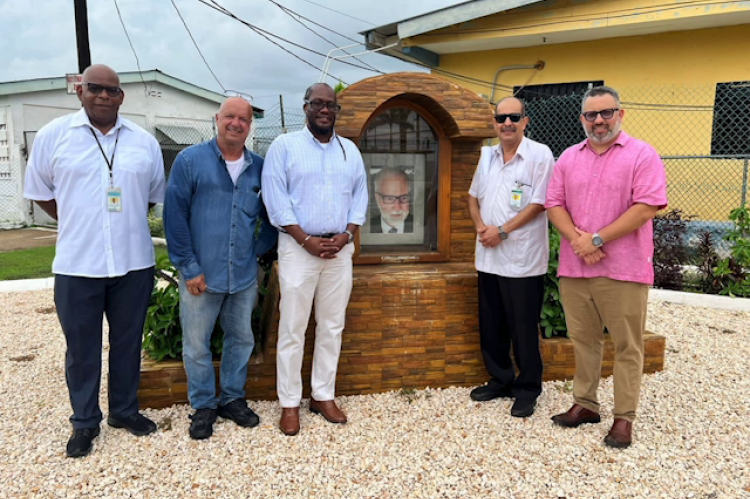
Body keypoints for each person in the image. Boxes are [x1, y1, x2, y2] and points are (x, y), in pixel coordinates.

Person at [23, 64, 165, 458]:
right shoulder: (54, 136)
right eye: (95, 88)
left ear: (122, 97)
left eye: (112, 90)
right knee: (81, 349)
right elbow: (39, 191)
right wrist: (75, 218)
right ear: (80, 91)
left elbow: (150, 197)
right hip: (76, 264)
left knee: (127, 343)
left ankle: (124, 411)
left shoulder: (143, 141)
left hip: (133, 263)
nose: (103, 96)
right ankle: (84, 423)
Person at [545, 85, 667, 448]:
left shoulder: (643, 155)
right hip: (576, 267)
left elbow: (646, 206)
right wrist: (580, 242)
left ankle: (623, 418)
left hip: (624, 270)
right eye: (591, 115)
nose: (598, 121)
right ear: (582, 118)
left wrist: (595, 239)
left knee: (628, 346)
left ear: (620, 113)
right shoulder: (568, 157)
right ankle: (585, 404)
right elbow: (554, 204)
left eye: (606, 113)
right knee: (583, 341)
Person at [163, 97, 277, 440]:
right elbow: (174, 216)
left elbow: (272, 218)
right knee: (196, 344)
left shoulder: (260, 167)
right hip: (201, 275)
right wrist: (189, 266)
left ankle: (231, 399)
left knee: (241, 338)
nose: (236, 123)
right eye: (230, 116)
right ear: (217, 119)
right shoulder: (190, 161)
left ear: (249, 125)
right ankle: (203, 406)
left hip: (242, 277)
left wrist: (257, 254)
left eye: (243, 118)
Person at [262, 83, 368, 436]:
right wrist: (304, 239)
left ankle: (322, 395)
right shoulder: (284, 146)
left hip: (339, 250)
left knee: (332, 326)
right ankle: (289, 403)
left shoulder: (349, 151)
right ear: (305, 106)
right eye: (318, 104)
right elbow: (276, 199)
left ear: (337, 111)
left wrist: (347, 234)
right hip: (298, 249)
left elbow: (360, 198)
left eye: (331, 105)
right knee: (292, 328)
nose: (325, 110)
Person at [467, 96, 555, 418]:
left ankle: (528, 388)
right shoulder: (487, 156)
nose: (507, 123)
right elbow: (472, 197)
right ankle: (500, 379)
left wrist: (501, 231)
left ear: (525, 121)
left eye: (514, 117)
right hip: (488, 256)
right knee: (492, 324)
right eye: (501, 118)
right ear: (494, 123)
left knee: (522, 327)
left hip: (522, 260)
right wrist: (480, 227)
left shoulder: (539, 155)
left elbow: (540, 203)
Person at [370, 167, 413, 233]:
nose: (397, 208)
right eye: (389, 198)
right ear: (377, 199)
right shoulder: (365, 229)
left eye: (403, 198)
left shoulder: (420, 227)